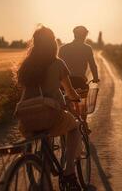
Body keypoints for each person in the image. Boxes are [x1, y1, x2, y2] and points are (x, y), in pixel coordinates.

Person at [17, 26, 82, 190]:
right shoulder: (58, 63)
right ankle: (69, 171)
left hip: (26, 119)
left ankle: (42, 174)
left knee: (43, 135)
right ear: (53, 43)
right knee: (74, 127)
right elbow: (69, 90)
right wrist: (76, 98)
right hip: (49, 115)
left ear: (35, 43)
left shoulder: (25, 65)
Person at [59, 26, 99, 128]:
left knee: (65, 101)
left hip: (64, 82)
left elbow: (57, 65)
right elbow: (93, 65)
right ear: (85, 35)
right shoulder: (87, 49)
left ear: (74, 34)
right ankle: (84, 123)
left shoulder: (63, 48)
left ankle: (66, 120)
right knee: (82, 103)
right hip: (80, 81)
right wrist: (95, 77)